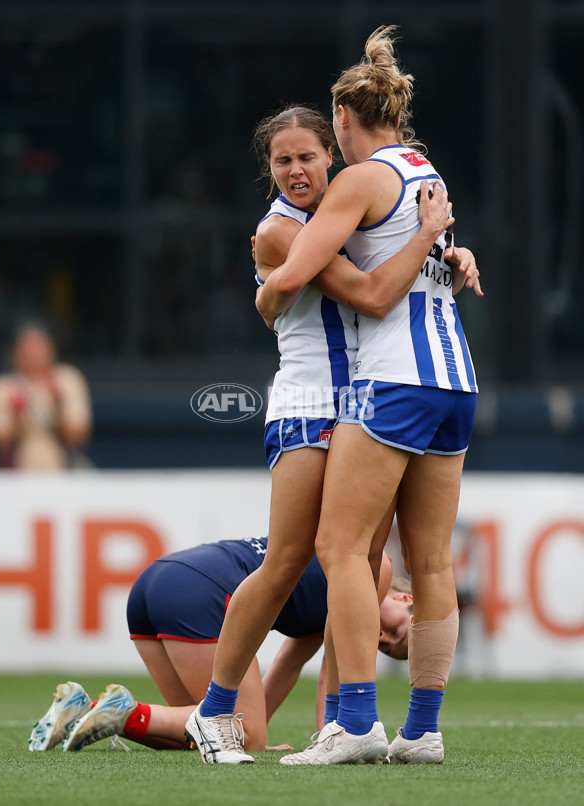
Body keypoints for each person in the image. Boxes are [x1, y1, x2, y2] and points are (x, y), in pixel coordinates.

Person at [185, 104, 481, 763]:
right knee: (290, 561)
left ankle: (347, 721)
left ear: (333, 157)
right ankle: (213, 711)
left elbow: (388, 256)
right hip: (310, 402)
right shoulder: (286, 231)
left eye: (307, 157)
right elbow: (375, 293)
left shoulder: (341, 216)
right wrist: (427, 234)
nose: (296, 170)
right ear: (269, 172)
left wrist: (445, 251)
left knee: (359, 563)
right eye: (281, 161)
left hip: (360, 403)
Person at [253, 25, 481, 766]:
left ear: (343, 119)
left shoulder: (358, 178)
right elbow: (438, 265)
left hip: (393, 383)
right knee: (432, 563)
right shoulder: (427, 170)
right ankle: (424, 730)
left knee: (342, 548)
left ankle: (354, 722)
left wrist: (270, 291)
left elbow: (302, 273)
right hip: (456, 380)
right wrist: (452, 252)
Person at [27, 536, 413, 753]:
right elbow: (337, 675)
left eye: (386, 647)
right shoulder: (375, 567)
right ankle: (117, 710)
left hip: (156, 583)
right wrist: (332, 745)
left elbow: (288, 667)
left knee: (197, 739)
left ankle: (85, 709)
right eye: (398, 631)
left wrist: (254, 737)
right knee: (234, 732)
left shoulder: (336, 596)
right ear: (404, 599)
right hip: (198, 591)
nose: (382, 637)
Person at [0, 322, 92, 469]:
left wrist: (56, 407)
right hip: (15, 471)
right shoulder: (3, 386)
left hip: (64, 468)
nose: (34, 355)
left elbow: (79, 437)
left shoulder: (67, 379)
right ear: (15, 354)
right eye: (28, 349)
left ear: (51, 350)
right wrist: (20, 415)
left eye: (39, 348)